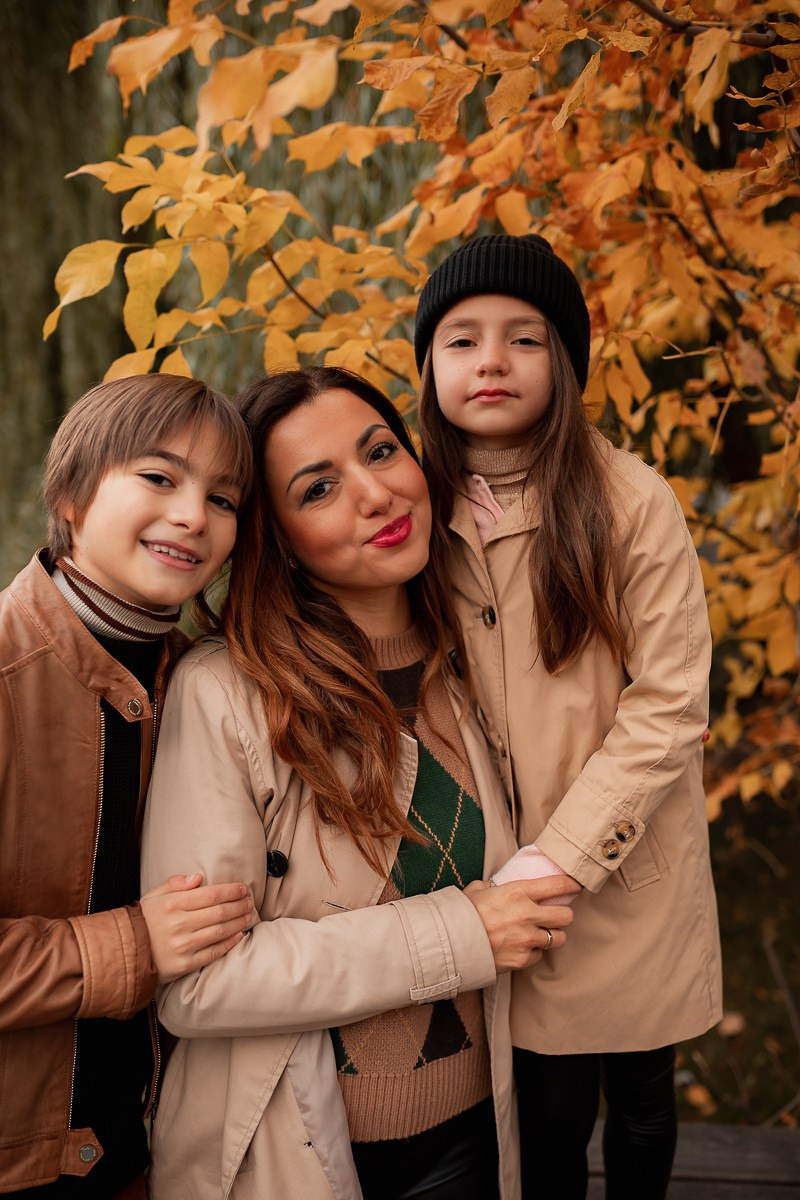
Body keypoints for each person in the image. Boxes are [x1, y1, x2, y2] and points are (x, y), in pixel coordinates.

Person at [140, 365, 578, 1200]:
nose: (376, 494)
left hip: (483, 1135)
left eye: (382, 450)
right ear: (278, 537)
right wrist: (461, 935)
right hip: (299, 1152)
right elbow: (197, 985)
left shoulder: (481, 663)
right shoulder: (227, 694)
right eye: (319, 489)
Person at [413, 234, 723, 1200]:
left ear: (569, 365)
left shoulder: (630, 503)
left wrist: (567, 853)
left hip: (625, 870)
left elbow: (669, 704)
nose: (491, 360)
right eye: (461, 341)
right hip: (492, 867)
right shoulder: (411, 503)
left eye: (525, 339)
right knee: (542, 1113)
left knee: (638, 1099)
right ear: (427, 366)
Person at [0, 375, 257, 1199]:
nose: (193, 515)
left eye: (223, 498)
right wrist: (136, 946)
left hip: (135, 1151)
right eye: (159, 477)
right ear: (72, 494)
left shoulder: (198, 681)